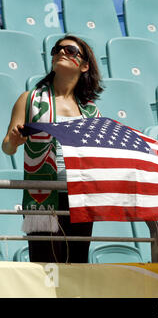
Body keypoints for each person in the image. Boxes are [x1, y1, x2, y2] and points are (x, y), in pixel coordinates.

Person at [2, 35, 103, 263]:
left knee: (76, 267)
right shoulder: (29, 99)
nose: (61, 52)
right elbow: (7, 147)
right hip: (42, 197)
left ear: (85, 65)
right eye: (57, 49)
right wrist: (15, 142)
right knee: (46, 270)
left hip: (79, 198)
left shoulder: (91, 112)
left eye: (69, 50)